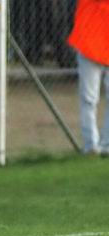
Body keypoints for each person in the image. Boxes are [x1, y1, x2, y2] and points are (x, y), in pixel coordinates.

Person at [67, 0, 109, 156]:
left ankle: (103, 145)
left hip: (92, 43)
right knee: (89, 99)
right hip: (89, 44)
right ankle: (92, 145)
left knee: (88, 100)